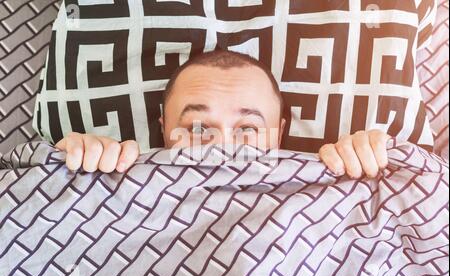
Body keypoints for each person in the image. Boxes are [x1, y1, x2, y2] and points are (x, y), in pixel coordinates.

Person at [55, 50, 390, 179]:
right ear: (164, 129)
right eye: (198, 127)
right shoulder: (121, 179)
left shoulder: (324, 183)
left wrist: (372, 165)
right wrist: (77, 171)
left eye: (247, 128)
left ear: (279, 132)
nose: (221, 148)